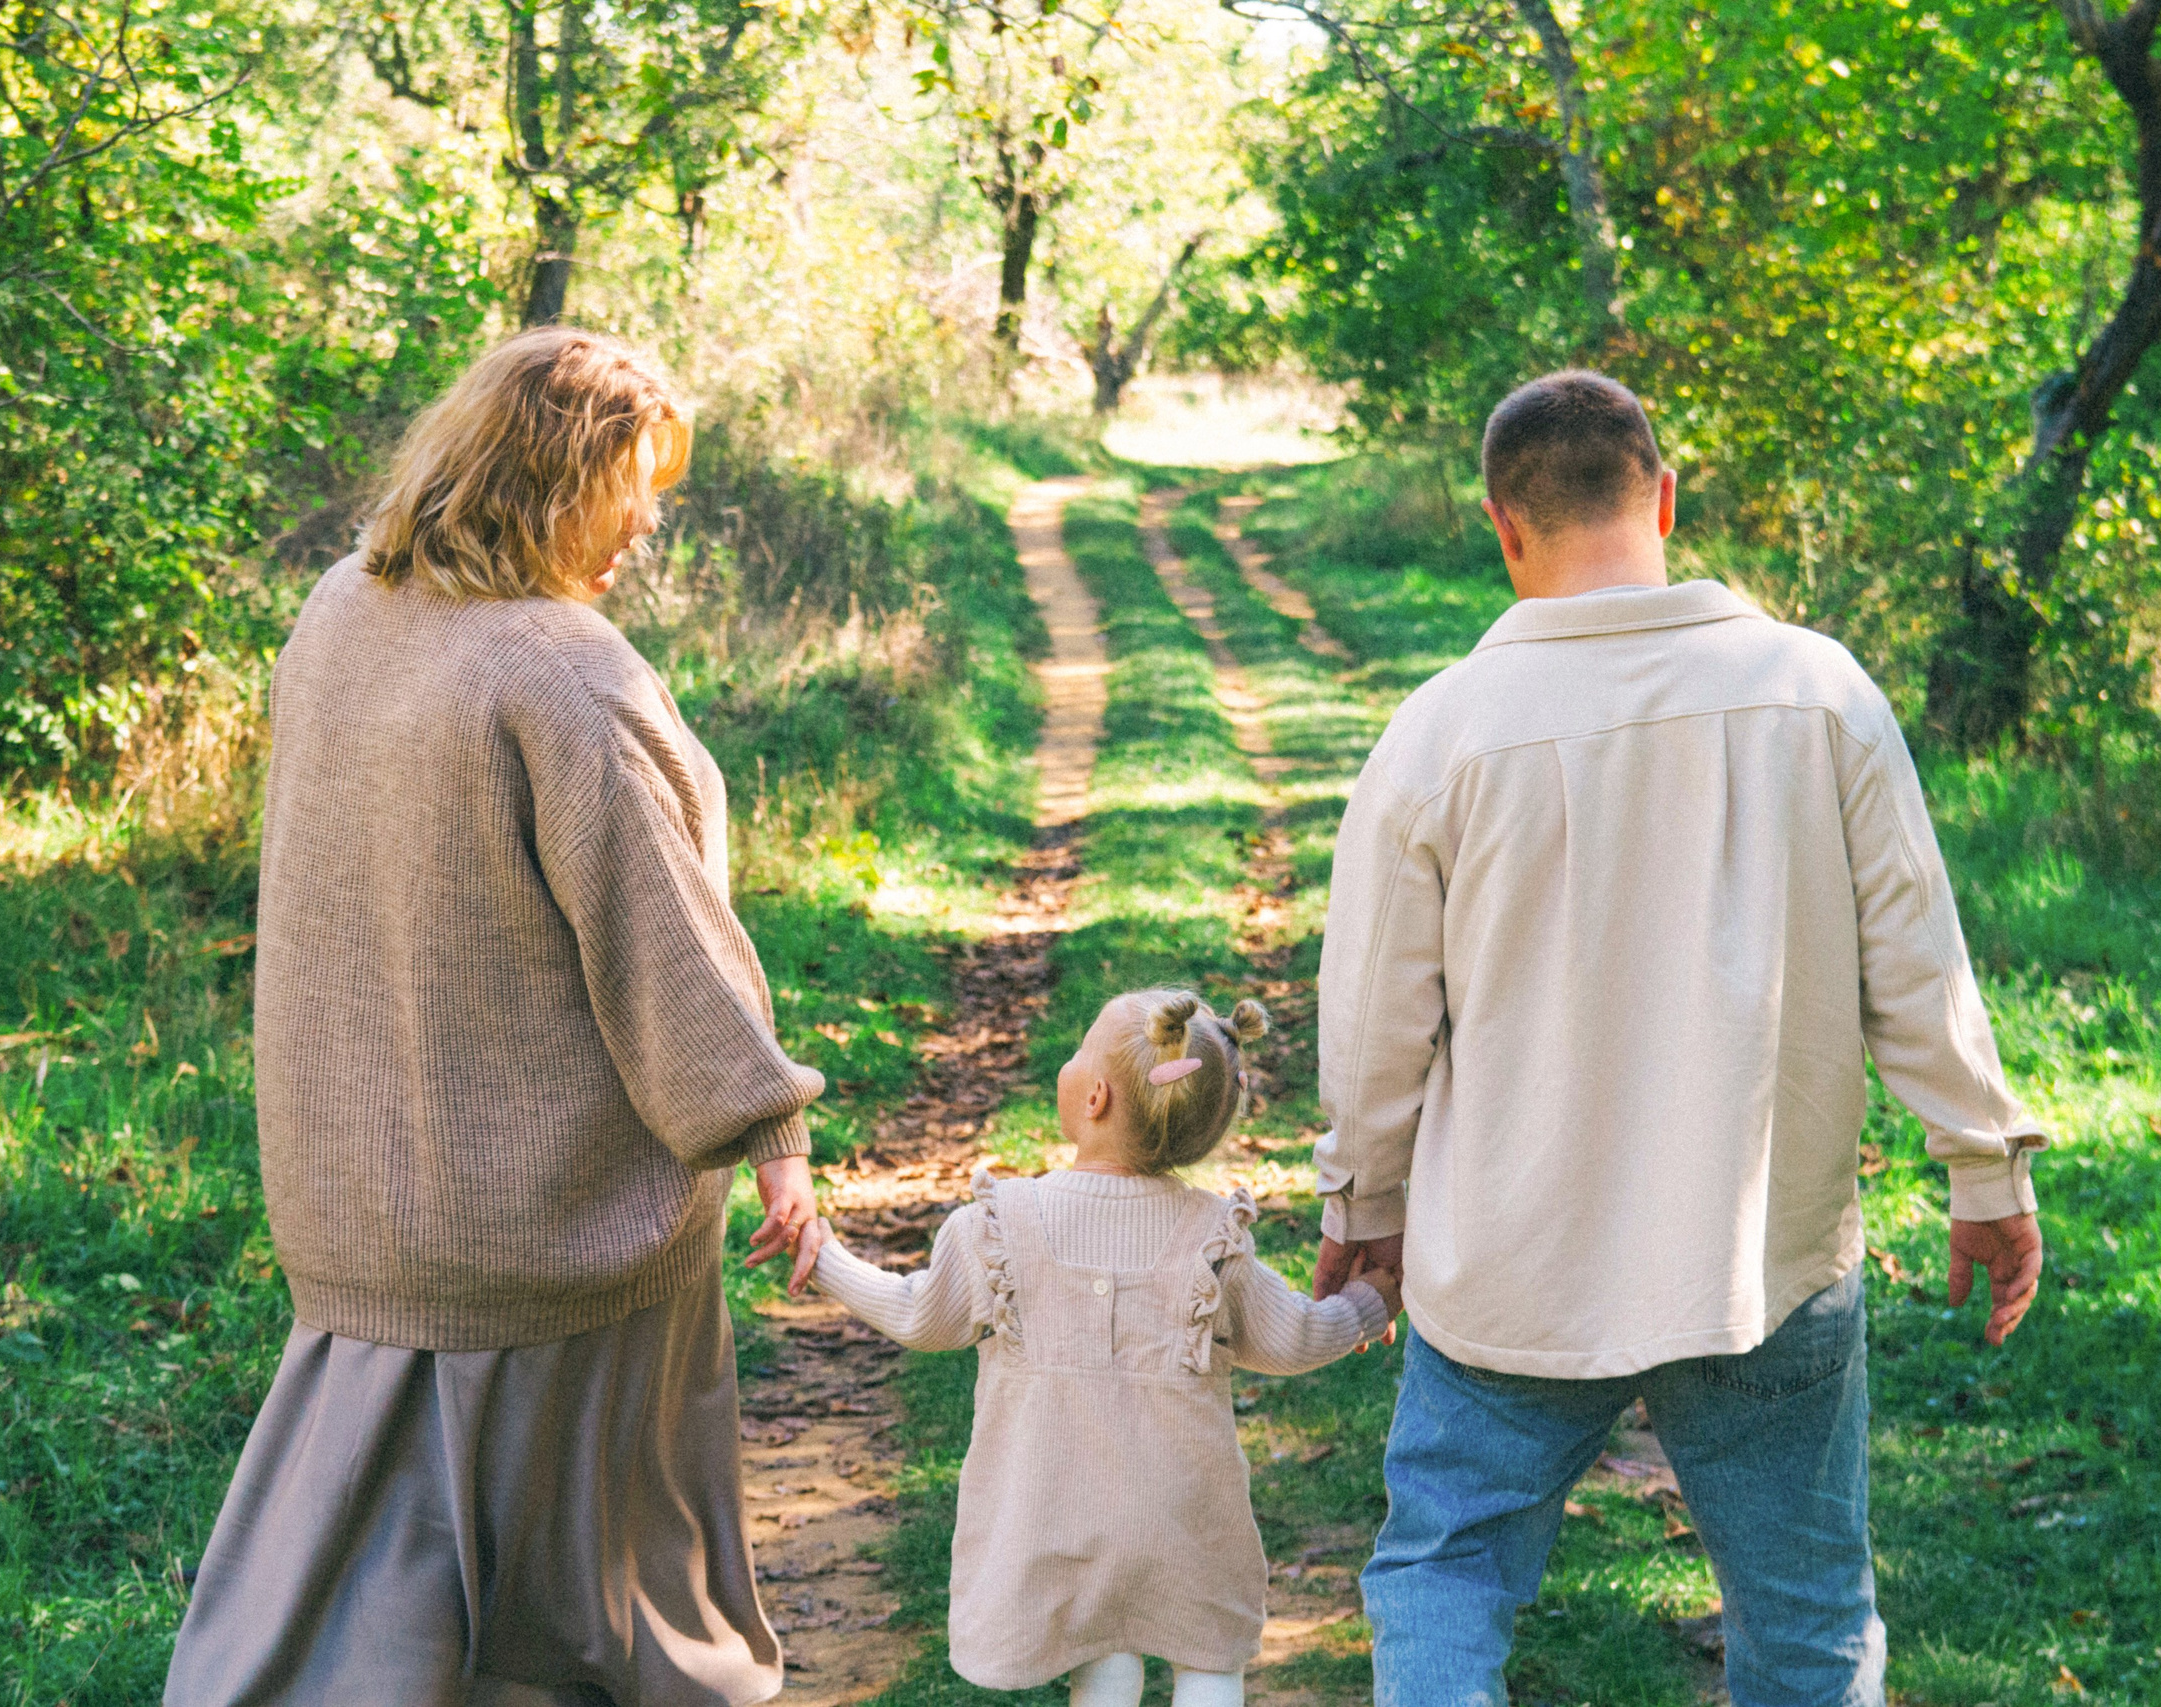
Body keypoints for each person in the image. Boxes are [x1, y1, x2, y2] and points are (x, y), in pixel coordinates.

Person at [1309, 369, 2049, 1707]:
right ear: (1663, 494)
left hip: (1509, 1260)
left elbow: (1374, 1019)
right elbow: (1917, 956)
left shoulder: (1440, 733)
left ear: (1502, 526)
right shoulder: (1814, 690)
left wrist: (1365, 1201)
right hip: (1757, 1256)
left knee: (1442, 1573)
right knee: (1809, 1620)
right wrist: (1984, 1167)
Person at [165, 327, 829, 1707]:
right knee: (616, 1614)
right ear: (544, 479)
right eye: (626, 485)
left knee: (363, 1620)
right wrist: (771, 1130)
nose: (645, 523)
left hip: (364, 1205)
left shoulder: (341, 605)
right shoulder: (561, 673)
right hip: (550, 1230)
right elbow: (668, 940)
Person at [783, 990, 1397, 1707]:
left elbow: (919, 1314)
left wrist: (823, 1258)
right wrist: (1372, 1299)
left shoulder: (999, 1228)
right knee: (1208, 1655)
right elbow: (1293, 1335)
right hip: (1185, 1522)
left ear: (1096, 1097)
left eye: (1076, 1049)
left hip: (1059, 1522)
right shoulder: (1214, 1239)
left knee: (1101, 1655)